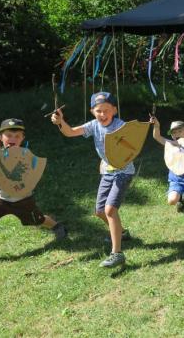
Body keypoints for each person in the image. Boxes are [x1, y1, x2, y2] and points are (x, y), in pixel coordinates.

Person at [0, 119, 67, 270]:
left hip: (23, 198)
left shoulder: (26, 155)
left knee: (38, 219)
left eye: (17, 136)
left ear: (22, 139)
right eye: (9, 135)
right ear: (0, 137)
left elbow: (33, 174)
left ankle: (57, 227)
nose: (12, 139)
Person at [51, 92, 135, 268]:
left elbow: (132, 146)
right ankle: (122, 232)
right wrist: (60, 122)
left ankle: (117, 253)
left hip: (123, 171)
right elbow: (71, 132)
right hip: (107, 171)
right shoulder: (94, 125)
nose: (102, 115)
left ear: (114, 110)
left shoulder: (121, 126)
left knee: (110, 210)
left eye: (106, 110)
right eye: (98, 111)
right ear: (92, 111)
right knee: (99, 211)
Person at [149, 118, 184, 212]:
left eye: (180, 131)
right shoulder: (171, 144)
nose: (177, 134)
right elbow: (157, 137)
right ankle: (178, 197)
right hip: (175, 180)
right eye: (174, 132)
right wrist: (156, 125)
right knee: (172, 200)